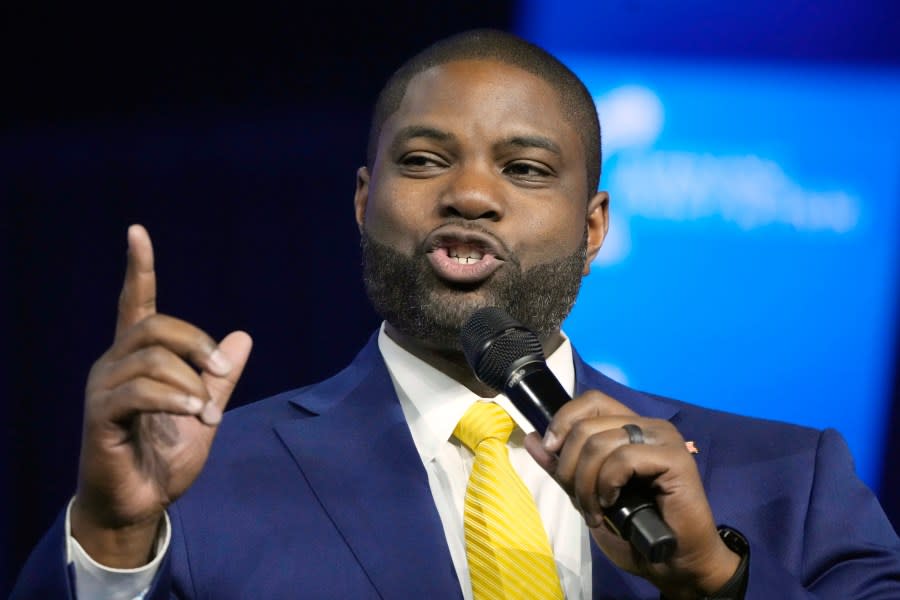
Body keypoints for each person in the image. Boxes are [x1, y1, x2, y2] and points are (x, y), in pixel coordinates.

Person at [12, 29, 900, 599]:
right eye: (427, 159)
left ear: (594, 227)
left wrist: (715, 580)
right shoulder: (196, 490)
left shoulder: (794, 477)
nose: (470, 194)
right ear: (363, 202)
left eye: (524, 169)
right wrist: (114, 537)